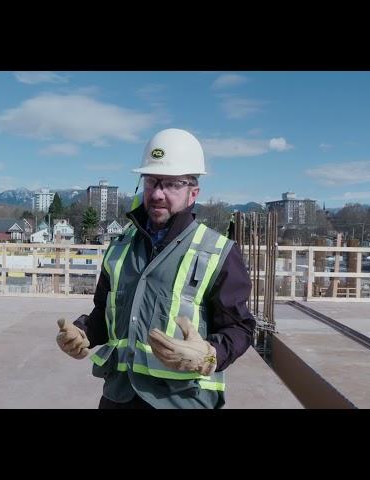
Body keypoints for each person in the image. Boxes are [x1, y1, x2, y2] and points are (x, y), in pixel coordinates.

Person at [56, 128, 255, 409]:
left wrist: (210, 354)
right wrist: (83, 332)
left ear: (193, 193)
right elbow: (105, 314)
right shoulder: (120, 247)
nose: (159, 193)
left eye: (173, 184)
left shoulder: (218, 252)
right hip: (118, 397)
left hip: (182, 401)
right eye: (152, 181)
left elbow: (240, 327)